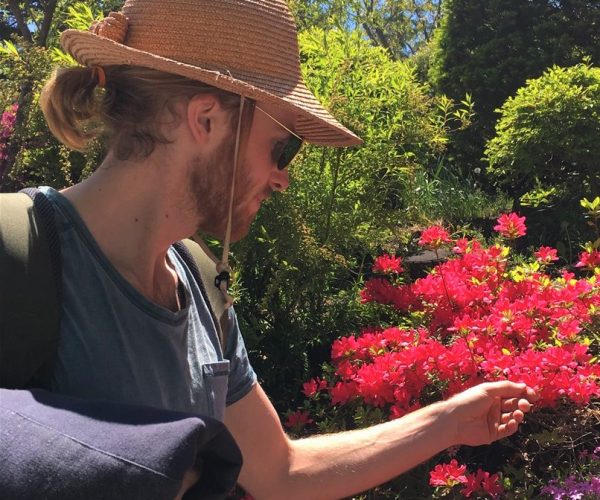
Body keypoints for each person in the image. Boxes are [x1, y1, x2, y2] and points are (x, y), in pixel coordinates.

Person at [4, 0, 537, 498]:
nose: (282, 178)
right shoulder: (17, 259)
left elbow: (279, 472)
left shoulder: (198, 281)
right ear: (206, 120)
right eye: (282, 147)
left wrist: (446, 423)